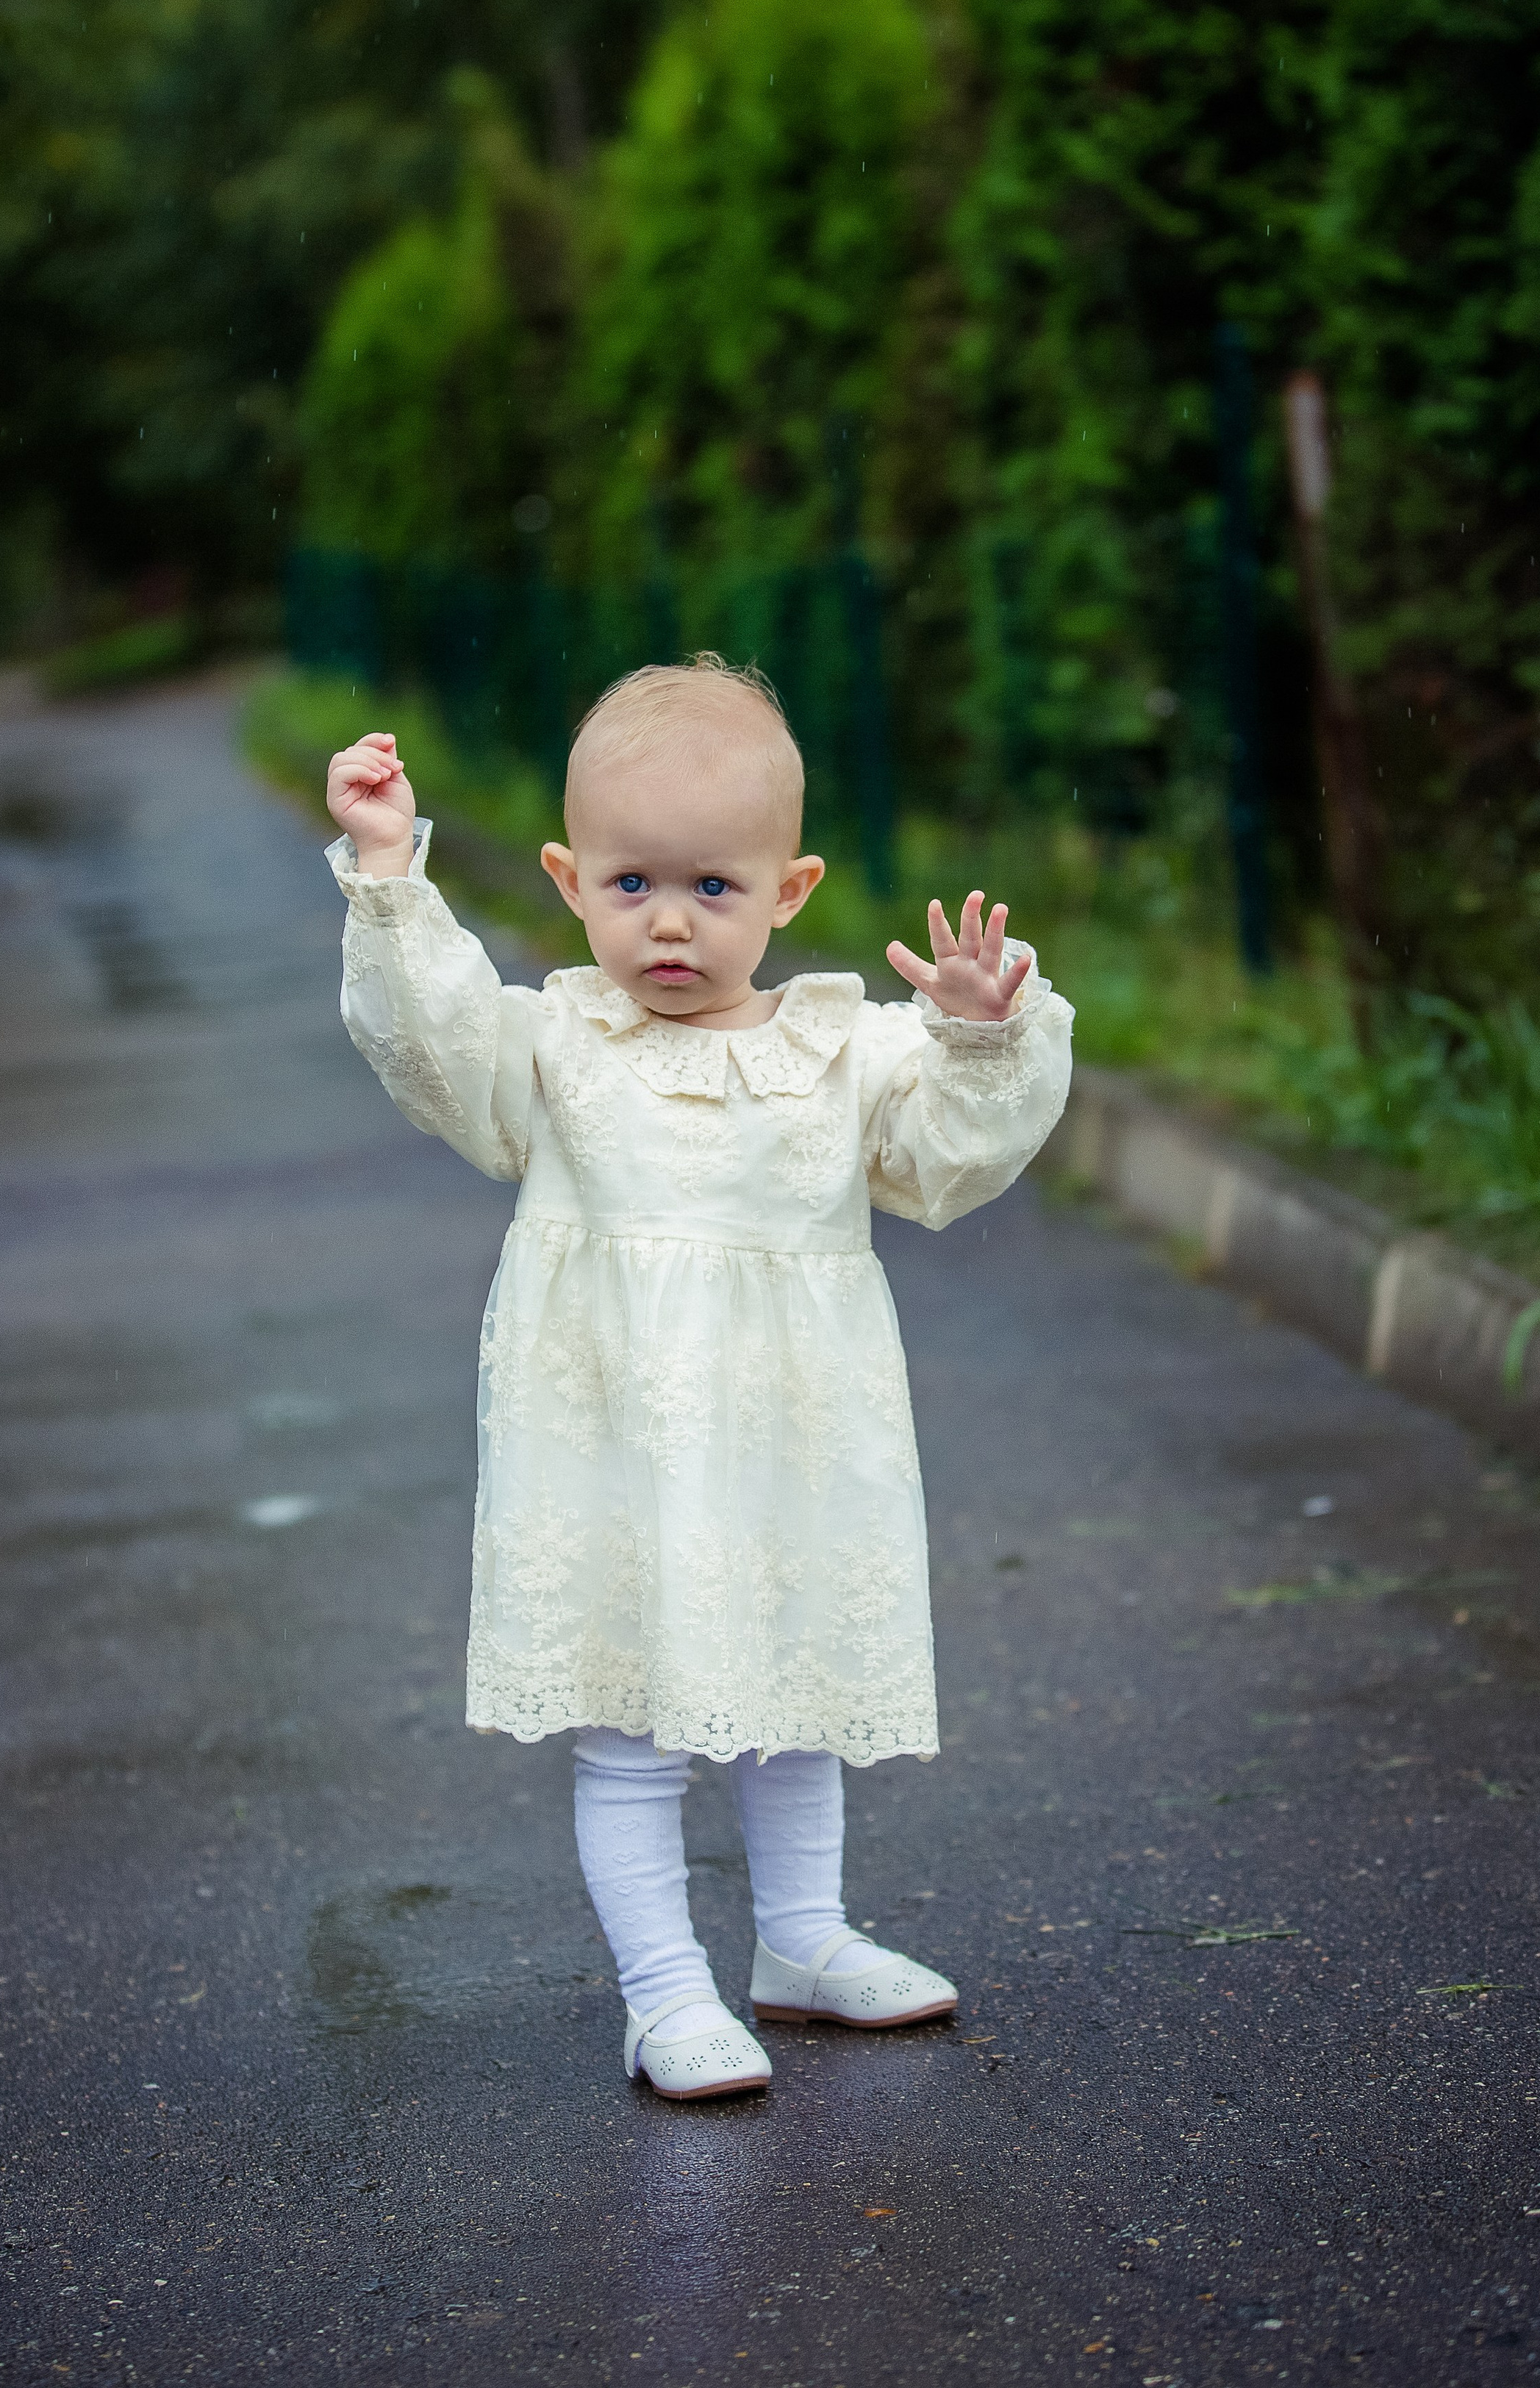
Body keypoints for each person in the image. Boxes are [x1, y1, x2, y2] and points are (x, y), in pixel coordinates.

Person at [324, 657, 1073, 2101]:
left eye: (713, 890)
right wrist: (384, 873)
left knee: (794, 1692)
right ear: (566, 877)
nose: (667, 921)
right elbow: (430, 1042)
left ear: (788, 890)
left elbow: (945, 1159)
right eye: (628, 884)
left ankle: (797, 1939)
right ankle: (663, 1993)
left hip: (791, 1440)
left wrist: (977, 1029)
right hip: (607, 1440)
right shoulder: (551, 1046)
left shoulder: (839, 1051)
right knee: (630, 1728)